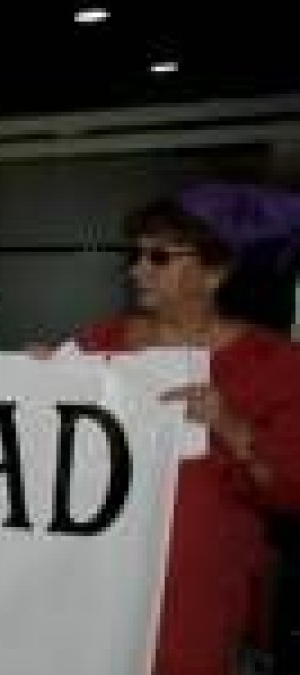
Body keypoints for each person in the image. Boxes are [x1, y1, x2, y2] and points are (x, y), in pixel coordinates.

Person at [57, 199, 300, 675]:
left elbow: (291, 490)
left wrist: (229, 425)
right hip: (104, 593)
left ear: (215, 273)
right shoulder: (103, 342)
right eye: (136, 255)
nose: (138, 271)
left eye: (160, 258)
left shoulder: (275, 365)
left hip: (201, 608)